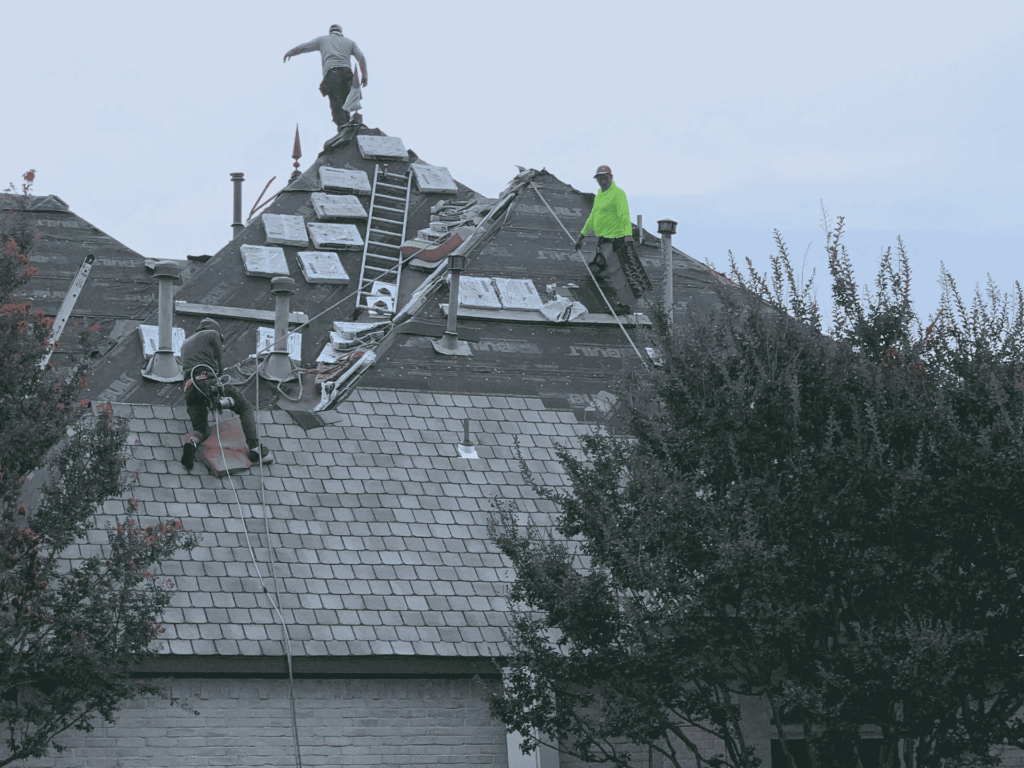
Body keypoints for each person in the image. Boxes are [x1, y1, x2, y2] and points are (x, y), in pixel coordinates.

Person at [180, 318, 268, 470]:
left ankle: (191, 442)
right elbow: (219, 364)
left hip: (190, 388)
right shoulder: (213, 334)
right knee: (245, 407)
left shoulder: (185, 343)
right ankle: (255, 449)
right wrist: (219, 374)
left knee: (202, 430)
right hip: (208, 381)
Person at [575, 165, 639, 313]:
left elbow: (624, 214)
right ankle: (603, 273)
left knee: (618, 271)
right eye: (600, 178)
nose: (603, 181)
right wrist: (581, 236)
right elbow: (592, 217)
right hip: (604, 240)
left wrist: (628, 235)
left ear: (611, 177)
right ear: (596, 180)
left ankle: (625, 305)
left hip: (616, 239)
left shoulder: (618, 194)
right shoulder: (599, 196)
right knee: (596, 269)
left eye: (605, 177)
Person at [284, 24, 368, 132]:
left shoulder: (322, 40)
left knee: (336, 102)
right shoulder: (350, 42)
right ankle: (346, 124)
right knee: (346, 102)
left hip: (332, 73)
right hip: (347, 74)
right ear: (341, 32)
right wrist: (364, 75)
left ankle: (343, 126)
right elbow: (361, 57)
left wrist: (290, 52)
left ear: (330, 31)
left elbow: (304, 47)